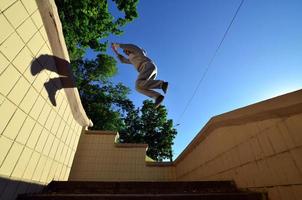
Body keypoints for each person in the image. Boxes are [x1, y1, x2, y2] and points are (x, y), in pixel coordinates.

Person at [111, 43, 168, 108]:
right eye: (125, 52)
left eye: (127, 51)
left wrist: (117, 45)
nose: (126, 53)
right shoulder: (131, 60)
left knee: (138, 83)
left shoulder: (138, 51)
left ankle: (162, 84)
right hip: (147, 72)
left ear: (130, 50)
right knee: (138, 87)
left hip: (147, 66)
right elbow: (123, 60)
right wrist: (115, 51)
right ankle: (158, 97)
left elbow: (130, 46)